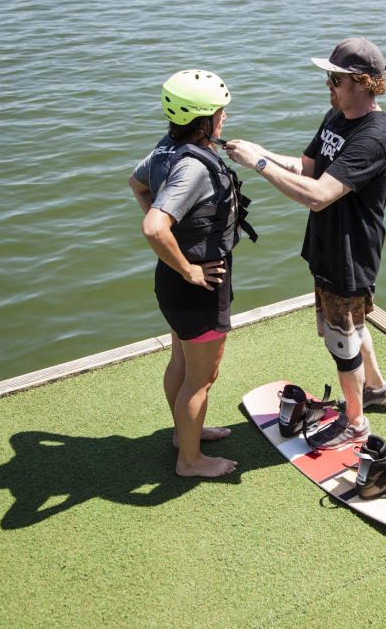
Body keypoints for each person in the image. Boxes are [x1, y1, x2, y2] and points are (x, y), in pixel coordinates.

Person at [224, 37, 386, 450]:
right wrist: (261, 151)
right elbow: (308, 168)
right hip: (326, 247)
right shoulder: (336, 117)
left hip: (349, 255)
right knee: (352, 324)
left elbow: (318, 194)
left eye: (334, 78)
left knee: (342, 340)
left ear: (360, 82)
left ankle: (355, 425)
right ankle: (374, 388)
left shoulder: (374, 136)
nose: (327, 84)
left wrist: (259, 165)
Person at [129, 69, 256, 477]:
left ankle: (184, 436)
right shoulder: (194, 168)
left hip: (171, 281)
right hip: (198, 283)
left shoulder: (167, 149)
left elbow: (137, 184)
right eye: (220, 113)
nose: (224, 119)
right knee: (202, 378)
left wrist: (176, 260)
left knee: (181, 364)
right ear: (204, 120)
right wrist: (189, 269)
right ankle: (190, 461)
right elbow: (153, 225)